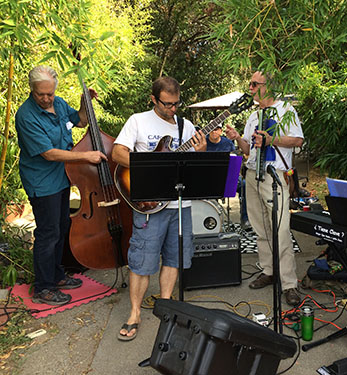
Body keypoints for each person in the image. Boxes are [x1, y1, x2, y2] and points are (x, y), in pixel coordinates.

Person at [112, 76, 206, 341]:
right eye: (167, 104)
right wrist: (150, 164)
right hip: (148, 203)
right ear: (154, 99)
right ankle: (134, 313)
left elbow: (197, 158)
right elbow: (117, 153)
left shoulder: (185, 126)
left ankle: (166, 305)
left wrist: (202, 148)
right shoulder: (138, 121)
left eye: (176, 104)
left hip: (179, 203)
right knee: (142, 261)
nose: (172, 110)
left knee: (174, 257)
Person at [15, 66, 107, 305]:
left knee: (62, 226)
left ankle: (57, 275)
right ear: (31, 90)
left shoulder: (59, 103)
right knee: (48, 233)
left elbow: (81, 121)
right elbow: (48, 153)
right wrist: (86, 157)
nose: (46, 99)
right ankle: (43, 288)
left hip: (62, 177)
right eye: (40, 94)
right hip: (42, 181)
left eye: (49, 94)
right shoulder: (26, 116)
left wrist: (84, 102)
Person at [226, 71, 304, 305]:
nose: (249, 88)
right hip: (251, 175)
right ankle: (269, 271)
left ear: (267, 87)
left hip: (274, 175)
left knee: (280, 230)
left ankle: (289, 283)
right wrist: (237, 137)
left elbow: (298, 140)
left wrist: (271, 140)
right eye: (249, 83)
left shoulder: (286, 111)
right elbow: (248, 150)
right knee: (260, 228)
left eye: (254, 84)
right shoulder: (253, 115)